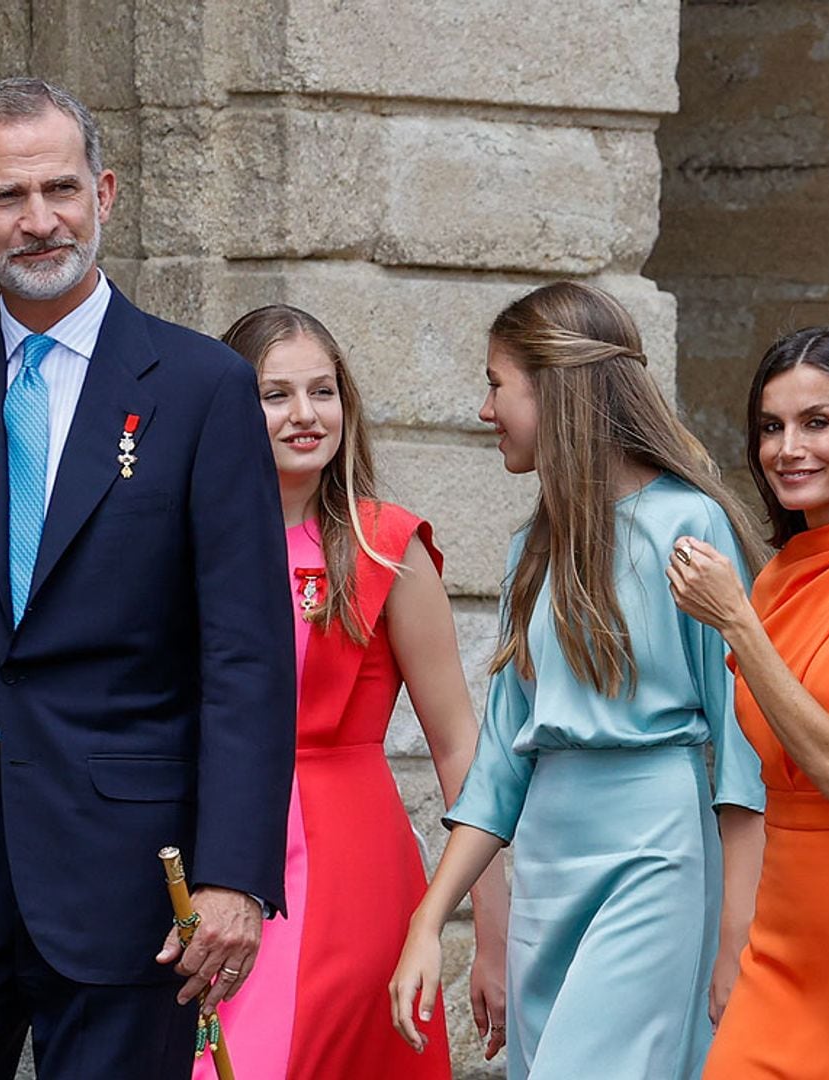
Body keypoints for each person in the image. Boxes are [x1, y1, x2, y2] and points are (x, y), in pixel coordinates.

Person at [0, 78, 295, 1079]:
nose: (39, 221)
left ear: (105, 192)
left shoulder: (203, 388)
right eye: (6, 197)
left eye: (60, 189)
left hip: (126, 882)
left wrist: (235, 876)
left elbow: (247, 655)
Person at [390, 281, 768, 1079]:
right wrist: (429, 920)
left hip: (655, 847)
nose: (485, 410)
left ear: (554, 387)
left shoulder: (687, 525)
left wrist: (737, 928)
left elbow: (742, 746)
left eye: (497, 384)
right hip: (548, 862)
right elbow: (499, 763)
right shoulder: (531, 548)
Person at [191, 304, 510, 1079]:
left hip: (348, 863)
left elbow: (460, 746)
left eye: (323, 391)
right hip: (207, 847)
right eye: (276, 395)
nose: (306, 415)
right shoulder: (179, 541)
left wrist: (495, 936)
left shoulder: (388, 545)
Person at [668, 326, 829, 1079]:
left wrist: (735, 621)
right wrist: (738, 936)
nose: (787, 449)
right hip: (782, 932)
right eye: (771, 427)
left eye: (816, 422)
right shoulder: (777, 580)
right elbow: (761, 786)